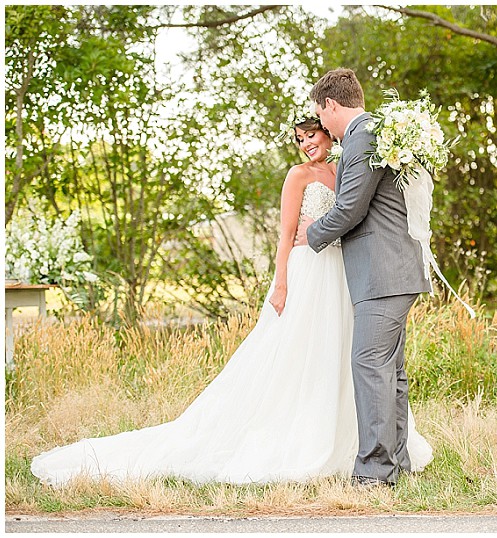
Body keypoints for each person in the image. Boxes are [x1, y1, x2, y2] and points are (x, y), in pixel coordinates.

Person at [30, 113, 433, 488]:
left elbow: (354, 214)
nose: (306, 143)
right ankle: (306, 436)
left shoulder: (346, 167)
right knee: (299, 357)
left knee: (342, 356)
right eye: (299, 139)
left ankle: (357, 441)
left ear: (328, 131)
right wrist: (280, 284)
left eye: (311, 134)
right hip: (308, 273)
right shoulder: (298, 177)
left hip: (344, 275)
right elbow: (285, 235)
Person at [294, 68, 432, 488]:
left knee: (370, 364)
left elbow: (351, 207)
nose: (324, 126)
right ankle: (398, 462)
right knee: (390, 369)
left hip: (383, 271)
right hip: (394, 269)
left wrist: (312, 232)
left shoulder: (362, 135)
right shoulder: (375, 132)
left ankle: (374, 472)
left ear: (331, 105)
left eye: (322, 113)